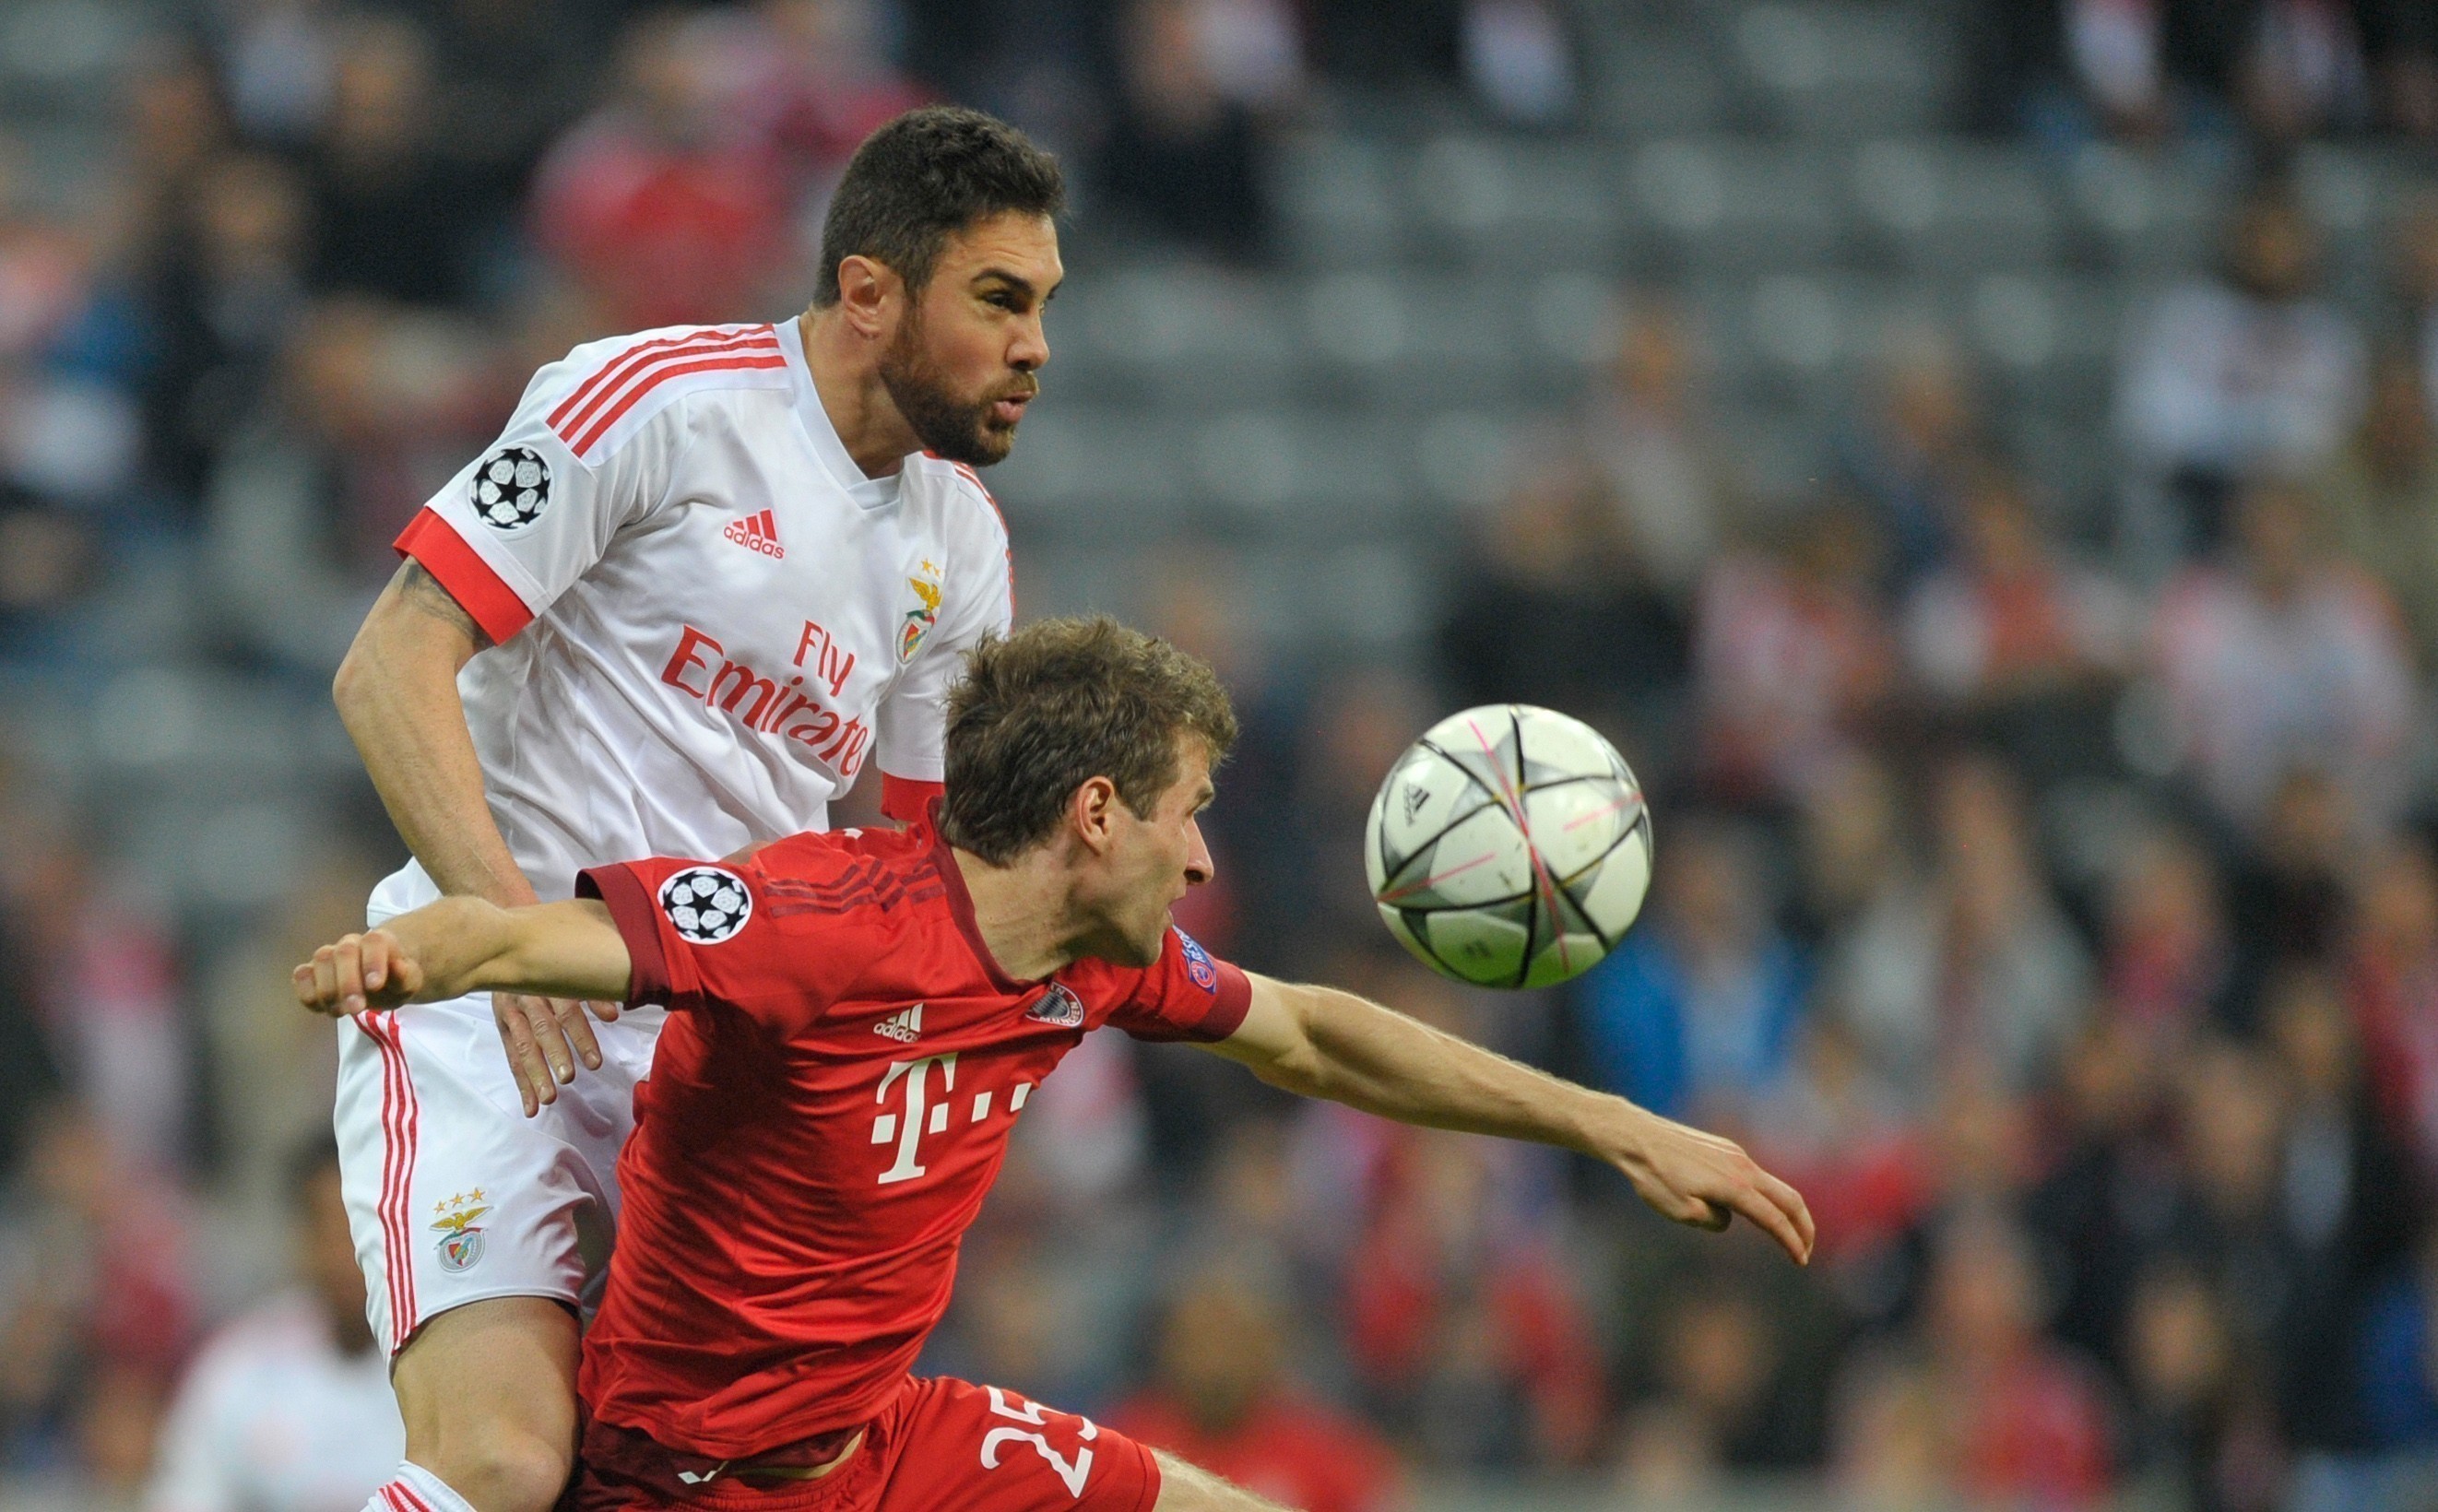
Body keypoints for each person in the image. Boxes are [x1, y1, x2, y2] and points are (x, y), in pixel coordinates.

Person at [295, 617, 1816, 1512]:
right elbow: (561, 940)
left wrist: (1615, 1126)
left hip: (888, 1453)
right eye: (1187, 809)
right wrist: (417, 955)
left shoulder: (1097, 962)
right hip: (684, 1482)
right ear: (1095, 815)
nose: (1208, 856)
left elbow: (1307, 1032)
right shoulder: (824, 917)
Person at [320, 106, 1060, 1512]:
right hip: (496, 1020)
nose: (1035, 345)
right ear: (867, 291)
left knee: (701, 1482)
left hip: (713, 1074)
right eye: (999, 300)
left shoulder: (960, 544)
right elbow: (388, 662)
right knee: (502, 1463)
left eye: (1043, 305)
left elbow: (915, 881)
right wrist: (510, 929)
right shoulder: (653, 402)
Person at [145, 1140, 403, 1512]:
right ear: (298, 1234)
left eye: (358, 1227)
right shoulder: (236, 1369)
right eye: (323, 1225)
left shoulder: (449, 1367)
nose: (342, 1251)